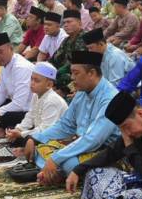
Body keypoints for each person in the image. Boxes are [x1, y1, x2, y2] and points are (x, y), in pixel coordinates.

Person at [26, 51, 119, 183]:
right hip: (80, 143)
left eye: (76, 73)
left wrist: (56, 158)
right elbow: (65, 124)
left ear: (91, 73)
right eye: (72, 73)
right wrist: (35, 138)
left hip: (104, 150)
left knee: (70, 164)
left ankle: (55, 172)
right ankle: (54, 172)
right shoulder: (82, 91)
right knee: (39, 148)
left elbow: (94, 139)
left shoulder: (110, 98)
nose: (72, 78)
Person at [5, 62, 68, 146]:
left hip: (56, 139)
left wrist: (21, 134)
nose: (32, 83)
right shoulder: (36, 95)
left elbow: (46, 130)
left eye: (37, 81)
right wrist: (19, 129)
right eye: (32, 79)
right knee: (15, 133)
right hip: (41, 133)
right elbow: (30, 116)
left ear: (49, 84)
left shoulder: (52, 100)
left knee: (27, 140)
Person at [49, 9, 87, 94]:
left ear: (80, 23)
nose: (65, 25)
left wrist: (63, 90)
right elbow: (54, 59)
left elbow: (80, 70)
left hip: (77, 81)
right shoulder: (67, 40)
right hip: (60, 78)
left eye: (69, 22)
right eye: (64, 23)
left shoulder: (85, 39)